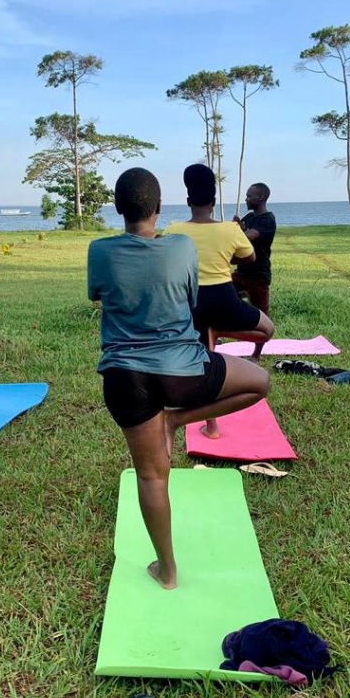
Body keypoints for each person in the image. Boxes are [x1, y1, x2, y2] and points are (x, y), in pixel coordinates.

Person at [88, 168, 269, 590]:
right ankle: (177, 419)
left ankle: (167, 571)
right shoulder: (182, 248)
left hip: (124, 376)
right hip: (184, 371)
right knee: (259, 382)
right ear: (159, 207)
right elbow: (190, 299)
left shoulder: (99, 250)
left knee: (152, 476)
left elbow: (97, 295)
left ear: (118, 208)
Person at [165, 164, 274, 437]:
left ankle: (210, 425)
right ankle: (218, 331)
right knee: (267, 330)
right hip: (225, 300)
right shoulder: (229, 229)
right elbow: (249, 257)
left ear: (188, 201)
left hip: (191, 305)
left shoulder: (173, 230)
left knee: (204, 366)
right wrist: (224, 253)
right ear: (213, 203)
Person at [233, 182, 277, 360]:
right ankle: (216, 336)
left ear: (261, 198)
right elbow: (241, 231)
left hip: (258, 275)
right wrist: (236, 226)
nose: (246, 198)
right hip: (241, 272)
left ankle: (256, 355)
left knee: (262, 316)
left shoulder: (267, 219)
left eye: (249, 195)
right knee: (218, 295)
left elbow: (249, 236)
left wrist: (235, 230)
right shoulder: (249, 217)